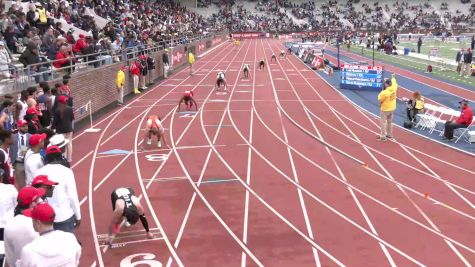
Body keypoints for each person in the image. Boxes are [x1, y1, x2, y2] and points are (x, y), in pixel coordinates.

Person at [35, 145, 81, 233]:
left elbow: (37, 196)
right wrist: (78, 216)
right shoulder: (67, 172)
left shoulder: (39, 172)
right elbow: (72, 196)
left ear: (47, 157)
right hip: (64, 216)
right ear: (60, 156)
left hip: (45, 217)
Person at [4, 186, 44, 267]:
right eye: (38, 200)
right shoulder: (38, 225)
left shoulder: (9, 224)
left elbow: (9, 258)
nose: (40, 202)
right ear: (32, 204)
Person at [0, 175, 18, 264]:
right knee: (9, 253)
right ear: (2, 177)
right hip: (8, 225)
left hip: (7, 226)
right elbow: (17, 205)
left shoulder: (11, 189)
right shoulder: (10, 189)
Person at [52, 95, 74, 163]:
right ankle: (69, 158)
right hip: (68, 128)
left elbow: (55, 121)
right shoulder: (70, 108)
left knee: (62, 144)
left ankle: (63, 158)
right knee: (69, 143)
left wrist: (53, 127)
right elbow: (72, 118)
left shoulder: (57, 110)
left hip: (60, 130)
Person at [377, 73, 398, 141]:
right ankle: (389, 134)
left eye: (384, 83)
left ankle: (383, 136)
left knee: (383, 122)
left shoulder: (384, 92)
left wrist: (383, 90)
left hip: (385, 109)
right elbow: (394, 80)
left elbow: (380, 99)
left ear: (386, 84)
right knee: (389, 122)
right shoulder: (394, 87)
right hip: (392, 108)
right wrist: (393, 77)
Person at [11, 120, 31, 188]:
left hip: (28, 162)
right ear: (18, 127)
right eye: (23, 126)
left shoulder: (31, 137)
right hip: (18, 163)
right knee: (21, 184)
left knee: (30, 182)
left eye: (26, 126)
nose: (26, 127)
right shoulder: (12, 137)